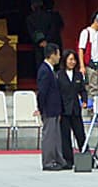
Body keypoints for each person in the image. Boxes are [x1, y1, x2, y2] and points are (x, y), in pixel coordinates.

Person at [35, 42, 68, 171]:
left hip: (55, 108)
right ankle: (48, 162)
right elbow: (42, 92)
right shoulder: (44, 70)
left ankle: (59, 159)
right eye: (58, 54)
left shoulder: (51, 70)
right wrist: (41, 108)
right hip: (49, 108)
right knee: (49, 136)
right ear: (52, 55)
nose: (59, 57)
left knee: (56, 136)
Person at [56, 48, 88, 165]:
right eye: (70, 59)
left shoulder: (78, 75)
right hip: (64, 110)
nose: (72, 62)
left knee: (81, 135)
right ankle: (68, 160)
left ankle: (86, 159)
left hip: (75, 109)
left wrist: (84, 100)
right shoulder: (59, 75)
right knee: (65, 137)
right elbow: (57, 93)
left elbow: (82, 90)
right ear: (65, 60)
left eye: (74, 60)